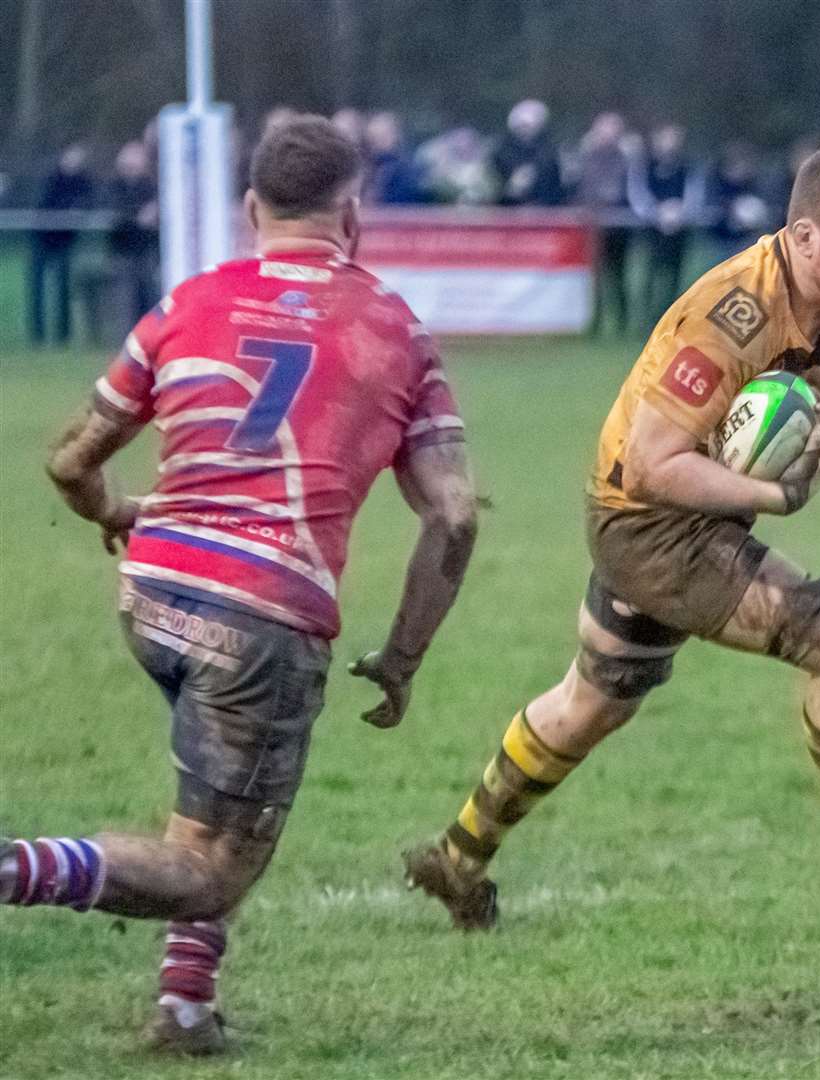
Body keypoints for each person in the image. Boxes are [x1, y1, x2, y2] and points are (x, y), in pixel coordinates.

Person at [403, 142, 820, 931]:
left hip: (705, 514)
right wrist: (774, 494)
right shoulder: (731, 311)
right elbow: (652, 466)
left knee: (593, 700)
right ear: (806, 236)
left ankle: (458, 854)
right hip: (645, 521)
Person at [1, 116, 479, 1053]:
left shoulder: (187, 301)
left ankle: (185, 1009)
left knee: (215, 798)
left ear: (252, 208)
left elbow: (69, 461)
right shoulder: (395, 329)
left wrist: (116, 512)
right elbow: (454, 515)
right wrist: (403, 657)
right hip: (261, 619)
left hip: (154, 591)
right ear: (353, 215)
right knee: (211, 869)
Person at [632, 122, 703, 331]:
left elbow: (694, 193)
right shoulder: (645, 165)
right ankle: (646, 320)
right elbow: (638, 192)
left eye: (674, 137)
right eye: (666, 137)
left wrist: (680, 212)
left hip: (680, 228)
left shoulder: (688, 165)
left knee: (675, 275)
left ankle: (672, 319)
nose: (669, 142)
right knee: (650, 274)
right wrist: (657, 212)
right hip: (652, 228)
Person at [576, 112, 637, 337]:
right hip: (594, 226)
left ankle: (623, 323)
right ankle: (595, 322)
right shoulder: (587, 156)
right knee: (595, 278)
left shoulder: (627, 157)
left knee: (619, 276)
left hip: (620, 227)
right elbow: (584, 187)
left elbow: (629, 188)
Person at [28, 143, 95, 346]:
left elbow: (88, 203)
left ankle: (62, 335)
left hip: (64, 242)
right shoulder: (51, 178)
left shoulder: (83, 182)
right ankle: (38, 334)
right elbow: (44, 204)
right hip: (42, 240)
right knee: (37, 289)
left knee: (63, 288)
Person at [104, 139, 160, 334]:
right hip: (123, 251)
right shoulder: (114, 186)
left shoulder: (150, 185)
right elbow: (115, 213)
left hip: (146, 251)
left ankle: (149, 336)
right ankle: (127, 339)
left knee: (148, 296)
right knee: (125, 299)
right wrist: (139, 216)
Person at [492, 98, 565, 207]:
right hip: (508, 211)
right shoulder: (501, 152)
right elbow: (495, 188)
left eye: (530, 126)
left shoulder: (549, 153)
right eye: (522, 126)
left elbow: (555, 186)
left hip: (544, 212)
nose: (526, 130)